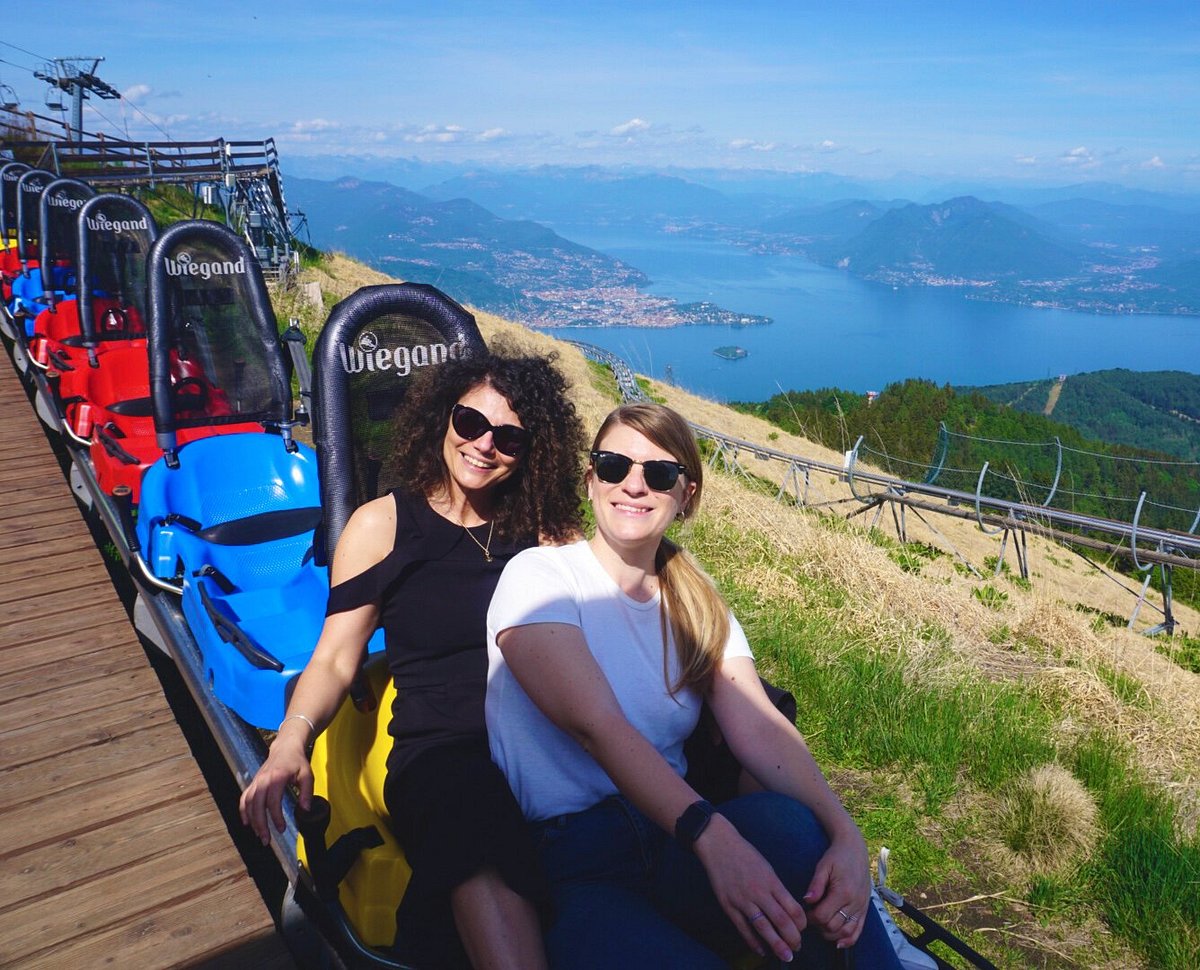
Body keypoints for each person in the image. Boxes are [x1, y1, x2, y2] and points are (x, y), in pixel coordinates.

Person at [485, 402, 906, 970]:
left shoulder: (697, 605)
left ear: (686, 495)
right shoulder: (541, 578)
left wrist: (844, 833)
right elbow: (596, 726)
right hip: (579, 867)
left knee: (790, 828)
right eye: (614, 466)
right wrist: (712, 834)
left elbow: (759, 726)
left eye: (659, 473)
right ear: (590, 480)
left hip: (673, 846)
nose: (634, 485)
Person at [240, 350, 585, 970]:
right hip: (443, 745)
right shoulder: (383, 525)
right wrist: (290, 740)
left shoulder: (541, 528)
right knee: (472, 823)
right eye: (470, 422)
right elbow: (336, 657)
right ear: (443, 418)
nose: (484, 445)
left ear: (531, 451)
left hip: (537, 735)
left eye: (509, 437)